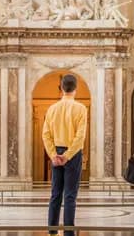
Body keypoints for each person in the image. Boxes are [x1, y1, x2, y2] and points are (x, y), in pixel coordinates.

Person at [42, 74, 88, 236]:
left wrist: (54, 155)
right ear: (75, 89)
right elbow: (80, 137)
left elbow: (45, 135)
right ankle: (69, 232)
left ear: (61, 88)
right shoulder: (81, 109)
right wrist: (67, 155)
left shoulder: (52, 109)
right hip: (73, 154)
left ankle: (52, 230)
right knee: (70, 195)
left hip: (56, 153)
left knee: (55, 193)